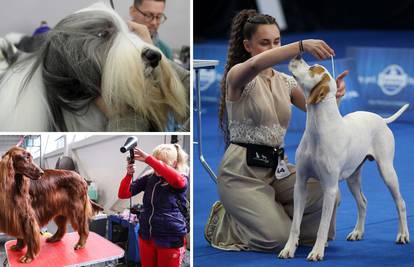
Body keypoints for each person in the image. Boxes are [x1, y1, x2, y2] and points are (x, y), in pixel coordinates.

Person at [204, 9, 349, 252]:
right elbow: (258, 63)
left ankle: (268, 212)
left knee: (329, 196)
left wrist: (335, 95)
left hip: (278, 169)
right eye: (264, 43)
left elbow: (317, 108)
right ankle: (226, 220)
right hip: (242, 173)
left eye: (276, 41)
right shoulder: (238, 75)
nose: (272, 48)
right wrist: (301, 45)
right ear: (247, 45)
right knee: (277, 239)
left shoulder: (286, 82)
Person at [118, 144, 189, 267]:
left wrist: (150, 160)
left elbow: (177, 181)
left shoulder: (181, 179)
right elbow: (123, 194)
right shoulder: (149, 178)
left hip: (170, 239)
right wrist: (129, 175)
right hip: (146, 236)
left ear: (174, 163)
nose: (157, 166)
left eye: (163, 163)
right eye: (156, 162)